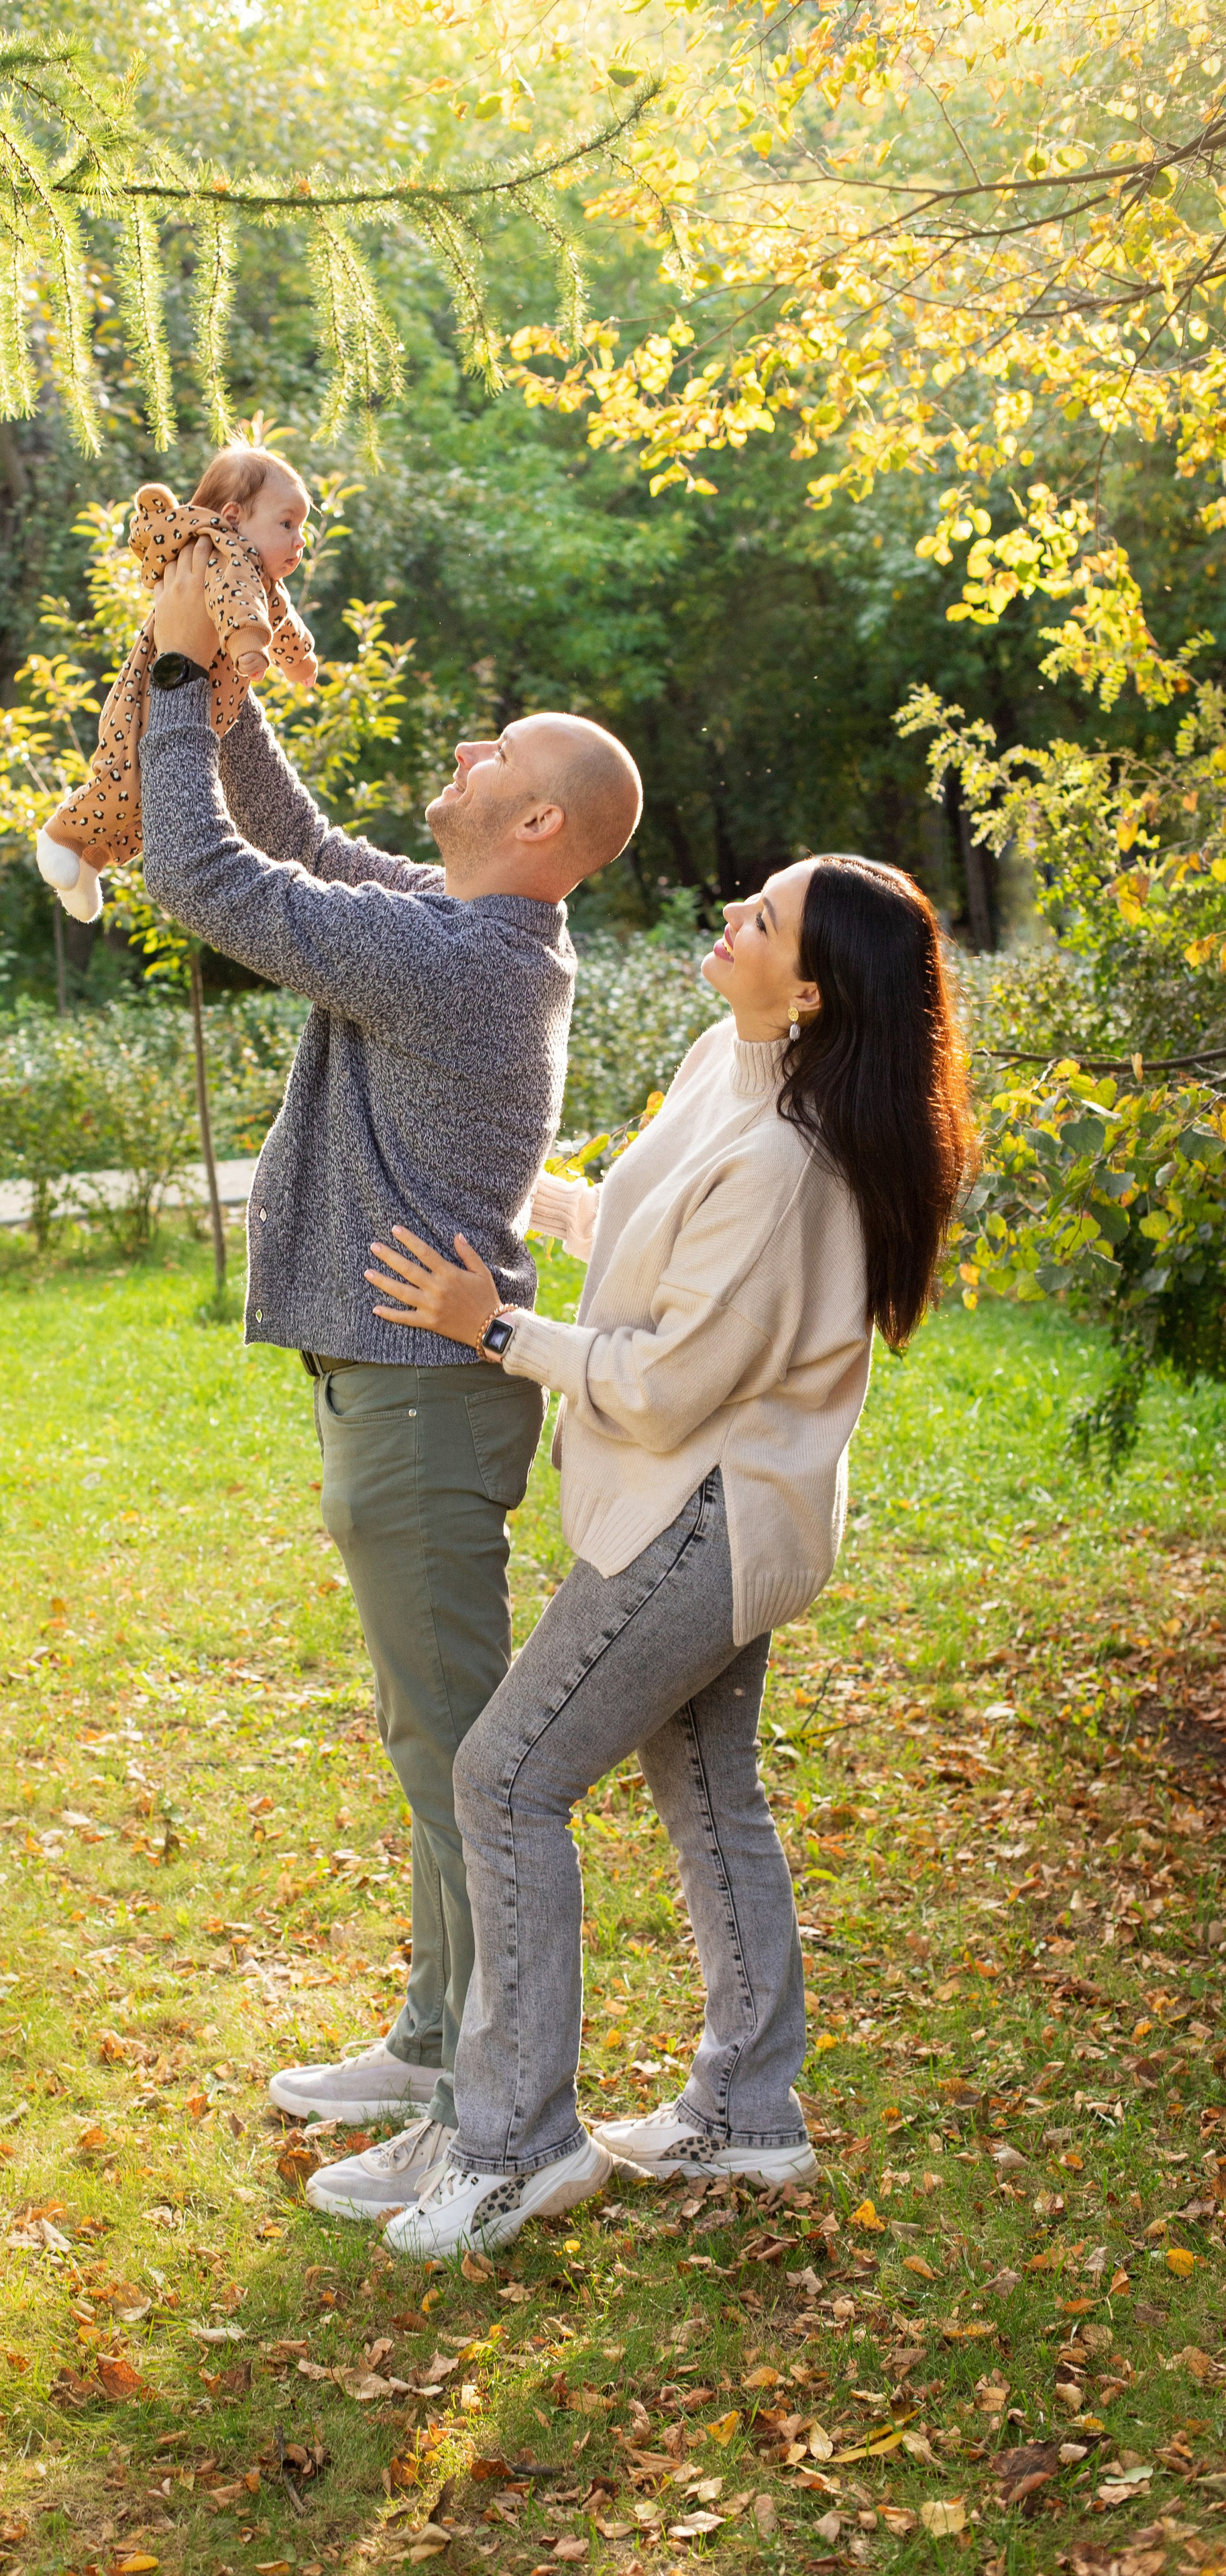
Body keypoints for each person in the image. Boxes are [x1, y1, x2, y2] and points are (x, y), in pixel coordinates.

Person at [128, 530, 643, 2222]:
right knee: (433, 1734)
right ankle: (439, 2039)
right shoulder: (459, 925)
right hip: (400, 1380)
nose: (462, 753)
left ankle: (500, 2100)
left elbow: (209, 884)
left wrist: (179, 673)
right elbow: (290, 837)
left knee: (458, 1760)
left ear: (536, 826)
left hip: (422, 1395)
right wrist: (233, 687)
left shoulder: (458, 958)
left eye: (494, 754)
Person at [359, 853, 977, 2252]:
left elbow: (654, 1378)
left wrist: (489, 1327)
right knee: (706, 1796)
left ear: (809, 991)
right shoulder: (731, 1057)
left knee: (506, 1778)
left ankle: (515, 2146)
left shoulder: (787, 1162)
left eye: (759, 921)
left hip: (699, 1520)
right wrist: (539, 1207)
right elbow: (653, 1229)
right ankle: (744, 2114)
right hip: (712, 1507)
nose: (728, 920)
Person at [36, 448, 321, 913]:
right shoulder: (227, 554)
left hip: (196, 718)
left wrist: (298, 661)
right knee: (124, 779)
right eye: (287, 524)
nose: (299, 541)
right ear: (233, 517)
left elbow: (281, 621)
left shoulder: (264, 580)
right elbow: (238, 604)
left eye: (302, 529)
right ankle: (61, 834)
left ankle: (92, 860)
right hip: (149, 703)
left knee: (153, 805)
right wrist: (250, 645)